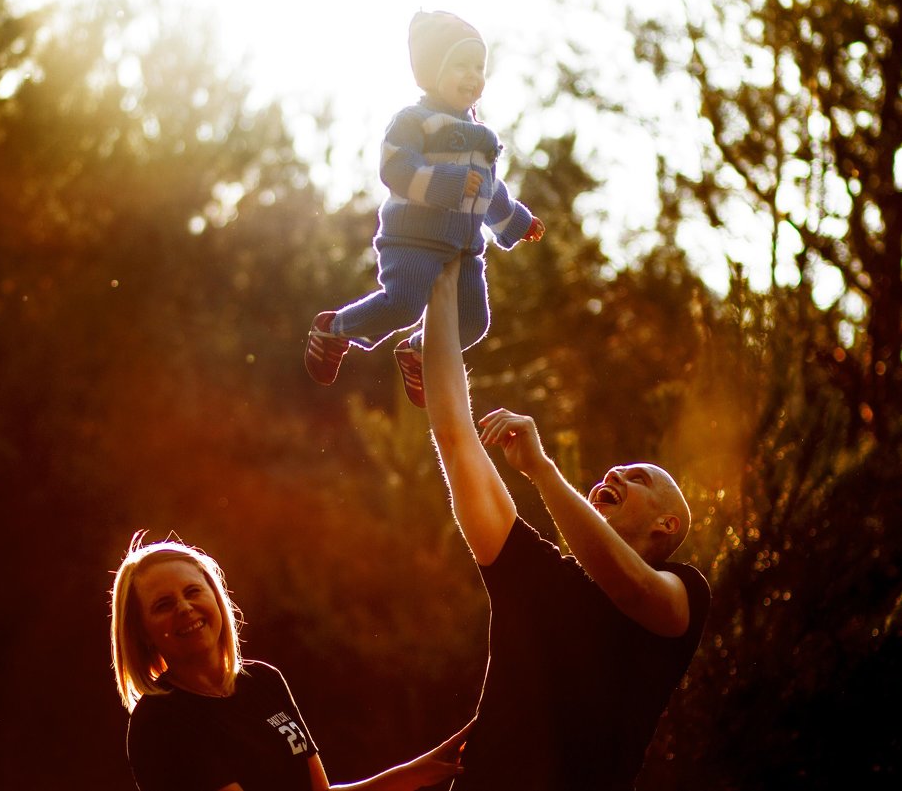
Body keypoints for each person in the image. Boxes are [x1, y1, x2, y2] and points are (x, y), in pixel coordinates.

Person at [421, 258, 710, 790]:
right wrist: (442, 267)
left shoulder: (683, 594)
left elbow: (631, 588)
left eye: (639, 477)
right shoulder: (534, 574)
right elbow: (455, 434)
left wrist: (542, 471)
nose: (616, 471)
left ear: (667, 525)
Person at [304, 10, 544, 409]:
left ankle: (416, 352)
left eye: (479, 66)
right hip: (413, 238)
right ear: (432, 72)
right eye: (460, 66)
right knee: (403, 303)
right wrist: (446, 185)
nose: (473, 75)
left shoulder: (483, 137)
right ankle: (334, 329)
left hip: (464, 247)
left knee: (474, 322)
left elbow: (488, 189)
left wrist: (516, 221)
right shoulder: (414, 120)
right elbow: (395, 167)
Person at [111, 533, 473, 791]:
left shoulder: (265, 682)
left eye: (192, 592)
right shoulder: (159, 723)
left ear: (215, 597)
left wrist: (414, 774)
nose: (185, 609)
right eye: (163, 605)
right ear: (141, 632)